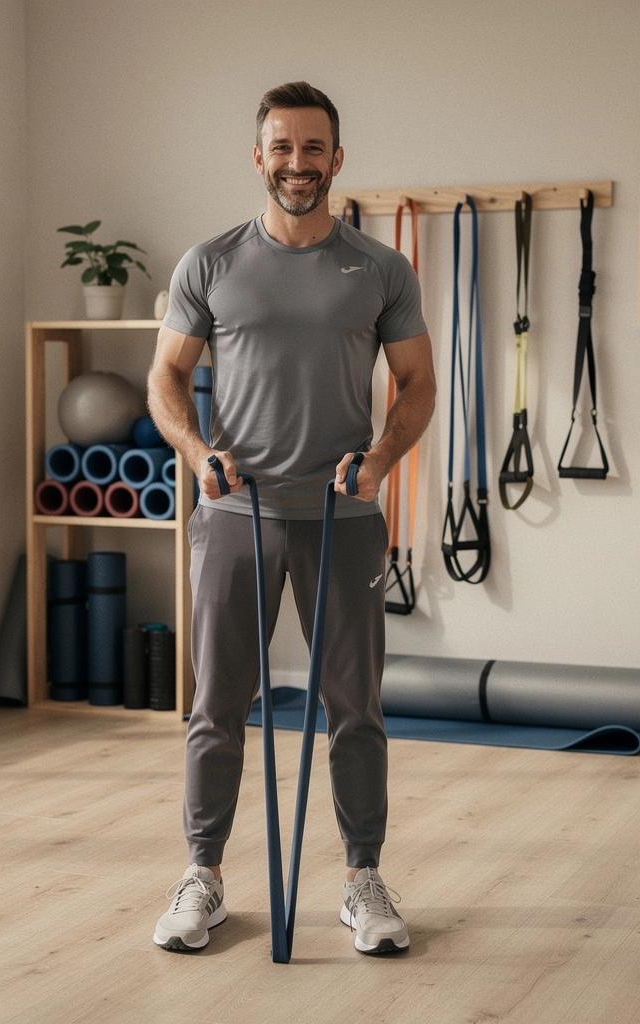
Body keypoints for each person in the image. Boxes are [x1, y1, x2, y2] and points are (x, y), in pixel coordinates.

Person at [146, 81, 436, 955]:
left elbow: (418, 384)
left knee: (355, 705)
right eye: (282, 147)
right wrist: (201, 457)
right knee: (217, 704)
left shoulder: (379, 268)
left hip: (341, 514)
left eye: (314, 149)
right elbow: (164, 379)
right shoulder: (210, 263)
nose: (297, 165)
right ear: (259, 155)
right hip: (237, 509)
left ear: (337, 160)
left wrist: (381, 460)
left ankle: (362, 881)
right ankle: (202, 876)